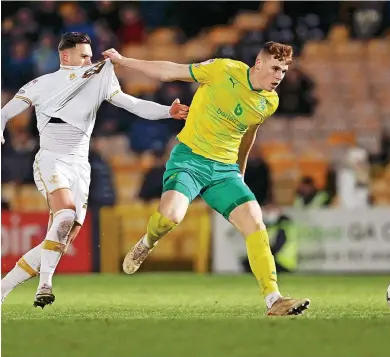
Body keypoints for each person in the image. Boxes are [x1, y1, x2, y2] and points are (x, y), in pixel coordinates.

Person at [102, 41, 311, 316]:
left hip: (224, 171)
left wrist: (241, 172)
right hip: (190, 160)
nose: (279, 76)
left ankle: (274, 299)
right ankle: (147, 242)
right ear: (258, 64)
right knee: (169, 218)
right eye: (274, 68)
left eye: (283, 71)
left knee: (254, 221)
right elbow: (170, 71)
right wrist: (124, 60)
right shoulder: (222, 70)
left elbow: (248, 135)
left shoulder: (269, 102)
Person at [0, 32, 189, 308]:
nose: (90, 59)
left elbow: (131, 103)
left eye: (91, 55)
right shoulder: (42, 84)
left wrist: (166, 112)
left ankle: (3, 288)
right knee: (64, 215)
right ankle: (45, 285)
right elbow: (5, 112)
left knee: (62, 237)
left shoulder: (100, 76)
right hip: (52, 159)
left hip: (80, 165)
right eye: (84, 55)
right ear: (65, 56)